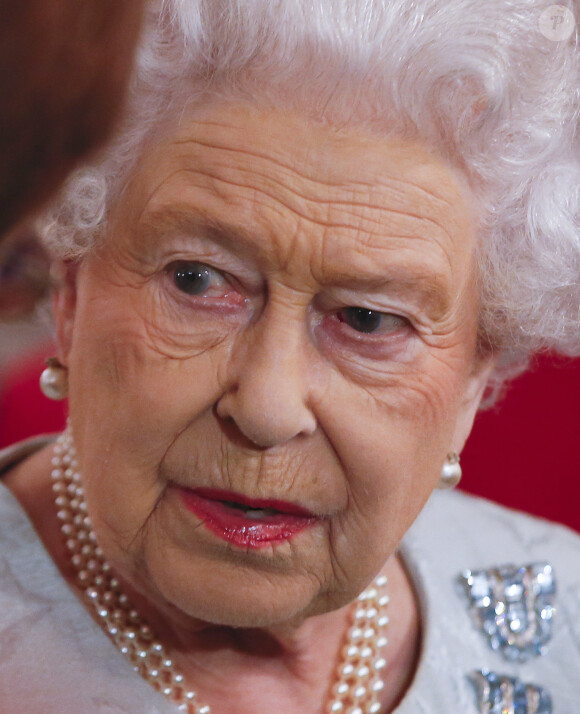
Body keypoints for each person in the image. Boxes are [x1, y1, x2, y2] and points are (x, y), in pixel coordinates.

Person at [2, 1, 580, 712]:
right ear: (70, 290)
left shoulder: (566, 627)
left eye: (368, 320)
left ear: (473, 377)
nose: (267, 409)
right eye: (197, 279)